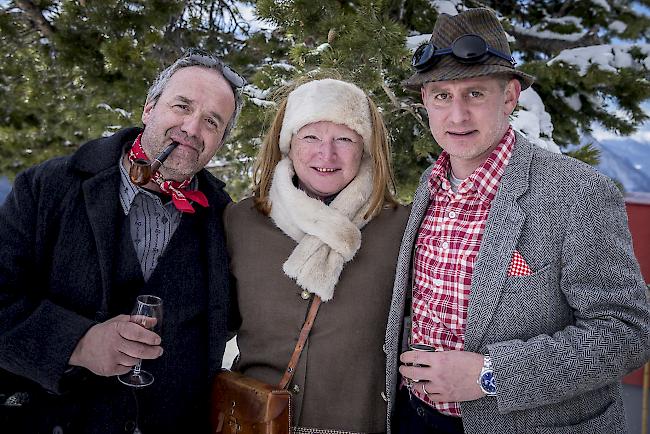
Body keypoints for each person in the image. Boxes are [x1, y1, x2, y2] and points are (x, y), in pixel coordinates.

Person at [383, 8, 650, 434]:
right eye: (442, 96)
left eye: (474, 94)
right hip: (414, 418)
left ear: (509, 96)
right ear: (425, 102)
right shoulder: (428, 188)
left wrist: (491, 374)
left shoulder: (577, 193)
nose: (457, 116)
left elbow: (626, 333)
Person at [0, 49, 245, 433]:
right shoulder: (47, 186)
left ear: (220, 141)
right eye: (182, 106)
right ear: (149, 108)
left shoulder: (226, 218)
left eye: (212, 122)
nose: (192, 128)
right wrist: (77, 343)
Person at [224, 77, 410, 432]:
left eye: (344, 139)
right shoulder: (242, 221)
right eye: (311, 137)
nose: (327, 155)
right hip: (257, 421)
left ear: (367, 149)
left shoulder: (401, 229)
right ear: (288, 143)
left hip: (356, 423)